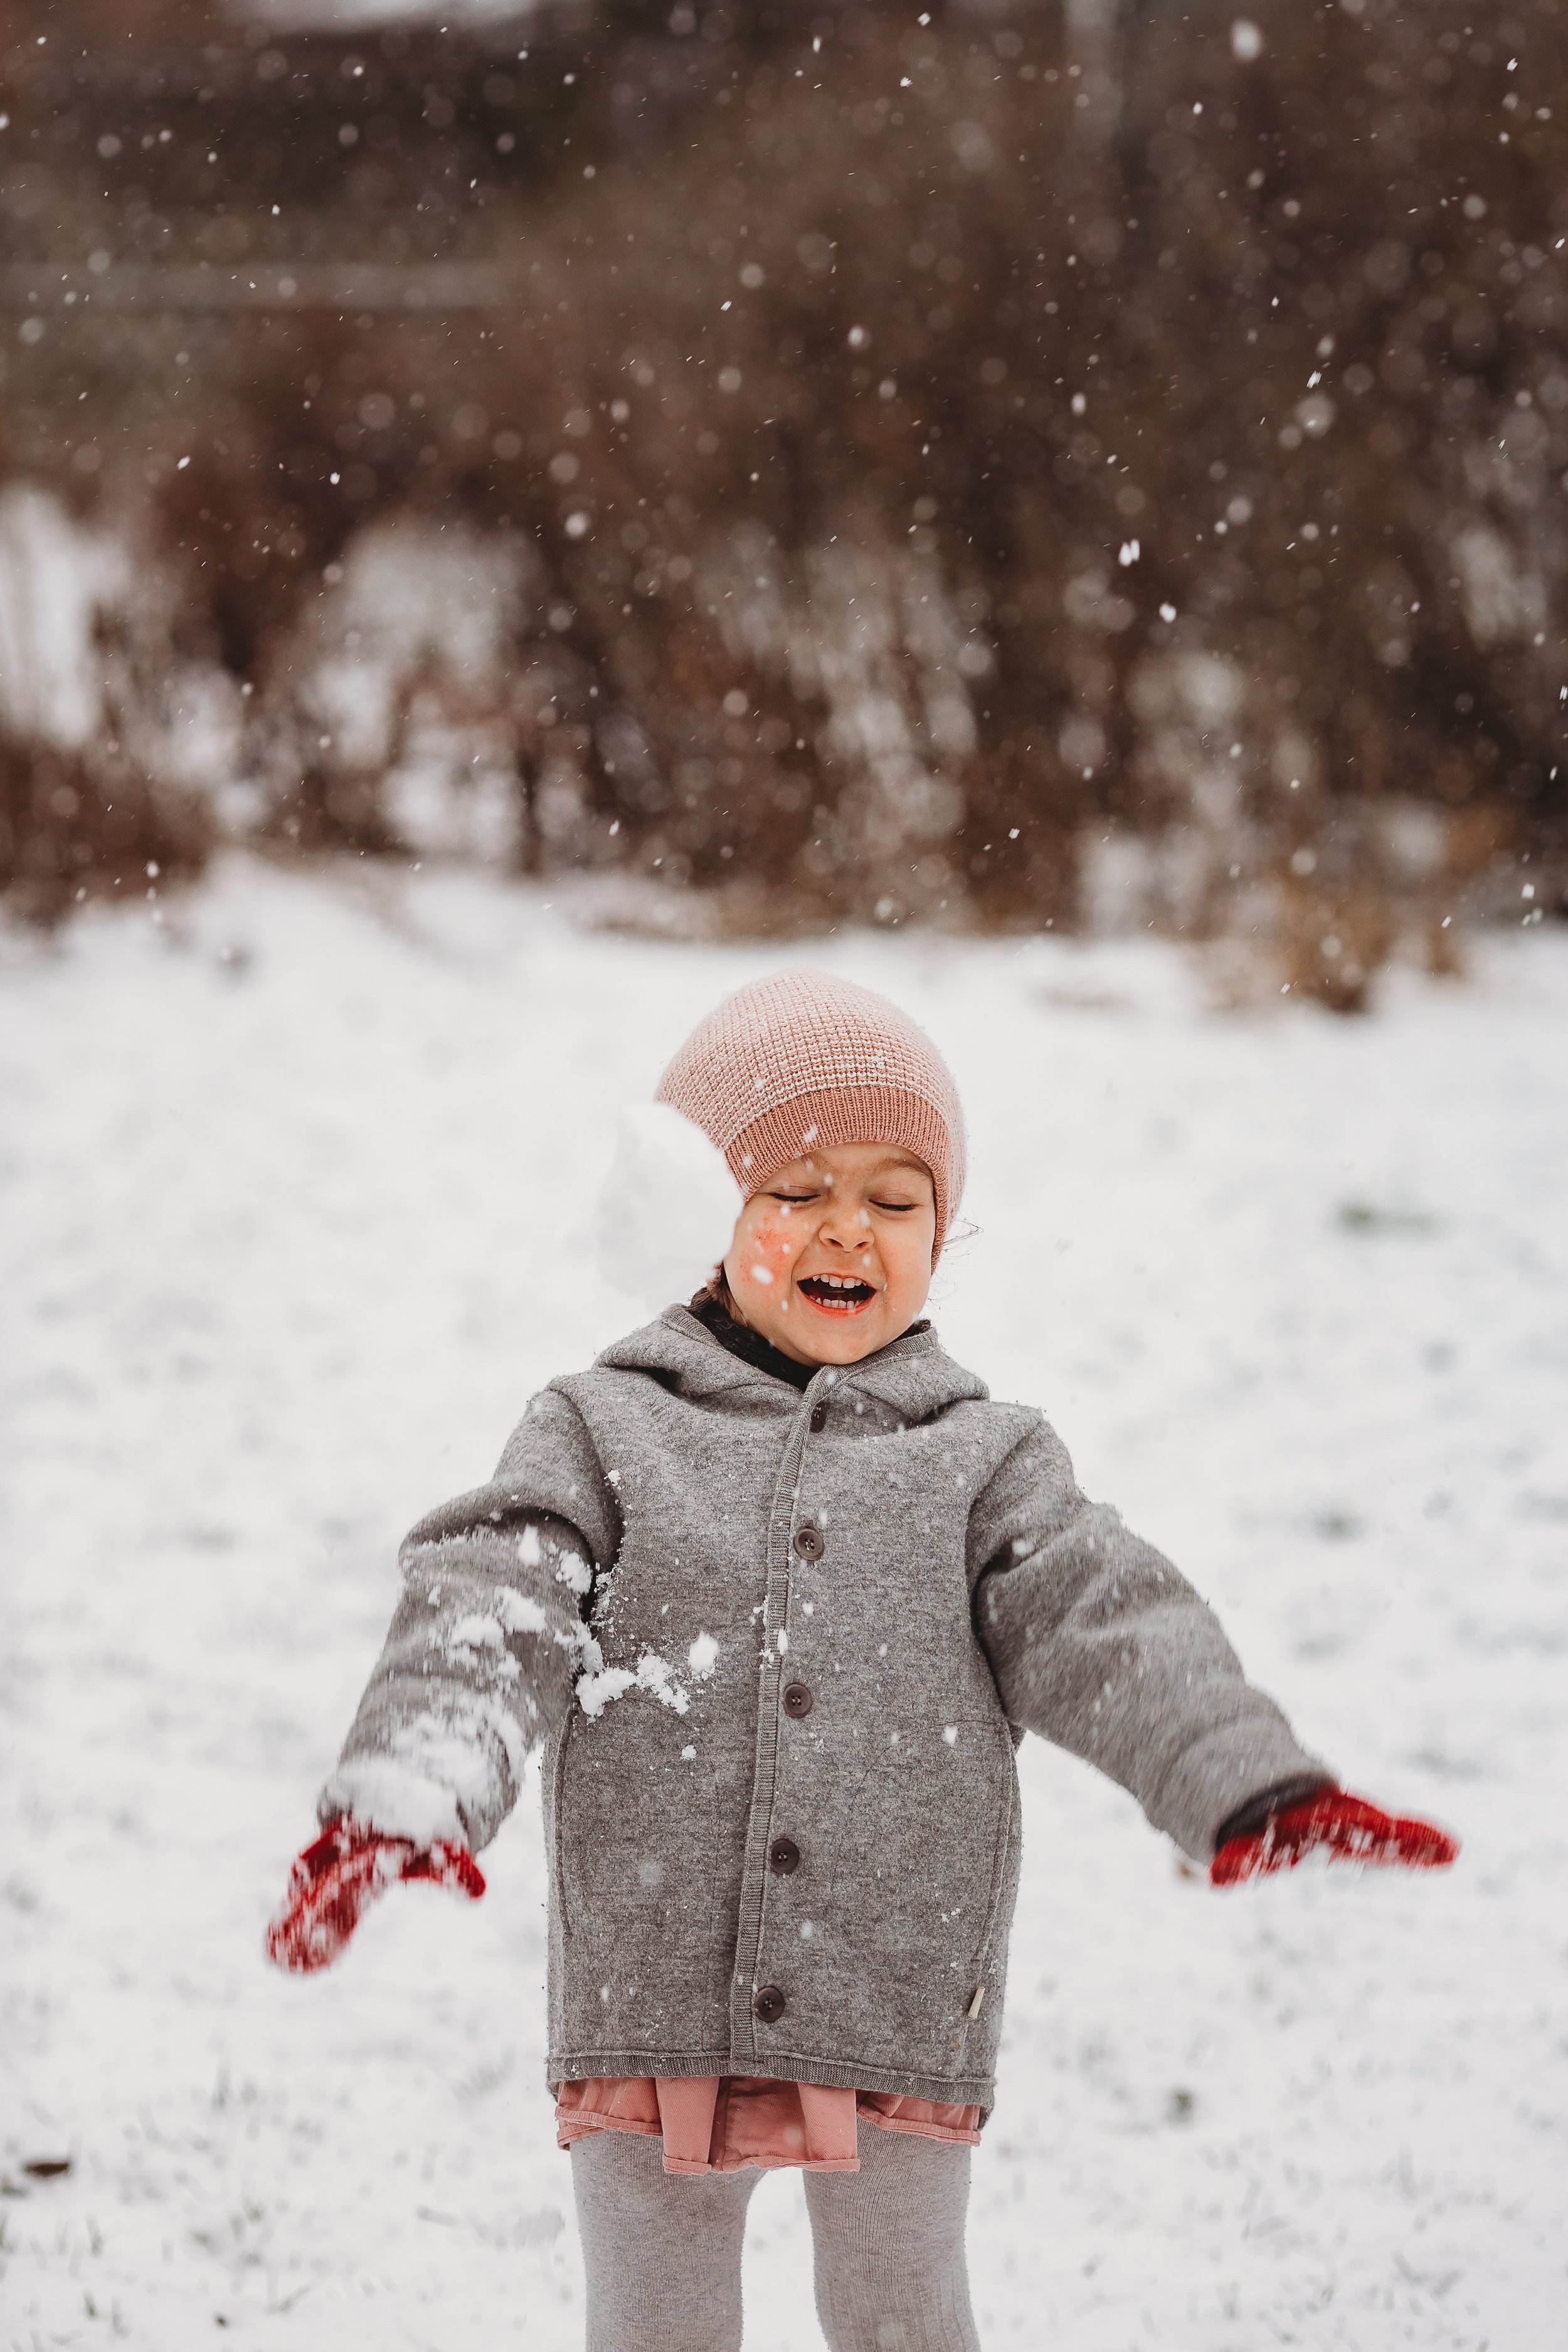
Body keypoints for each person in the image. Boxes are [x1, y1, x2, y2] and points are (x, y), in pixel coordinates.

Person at [266, 968, 1456, 2352]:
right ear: (701, 1217)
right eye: (797, 1189)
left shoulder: (981, 1461)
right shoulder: (600, 1432)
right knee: (655, 2328)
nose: (850, 1228)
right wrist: (410, 1786)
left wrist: (1247, 1785)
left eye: (897, 1200)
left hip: (896, 1983)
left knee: (903, 2322)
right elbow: (494, 1600)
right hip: (652, 1984)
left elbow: (1103, 1616)